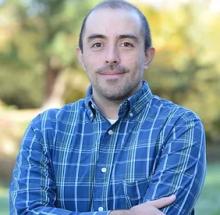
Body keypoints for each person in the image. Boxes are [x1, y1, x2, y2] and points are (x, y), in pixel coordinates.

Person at [10, 0, 206, 214]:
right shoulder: (45, 129)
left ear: (147, 56)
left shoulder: (180, 126)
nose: (111, 57)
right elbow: (26, 211)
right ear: (81, 57)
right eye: (97, 44)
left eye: (126, 44)